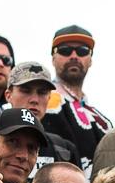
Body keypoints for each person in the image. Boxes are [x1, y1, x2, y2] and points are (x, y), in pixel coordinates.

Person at [44, 25, 111, 171]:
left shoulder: (102, 120)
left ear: (91, 60)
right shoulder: (44, 101)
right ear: (53, 58)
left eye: (82, 51)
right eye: (65, 50)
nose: (74, 56)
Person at [2, 62, 78, 167]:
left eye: (42, 92)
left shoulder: (65, 150)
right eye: (26, 91)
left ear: (49, 98)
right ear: (8, 95)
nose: (34, 100)